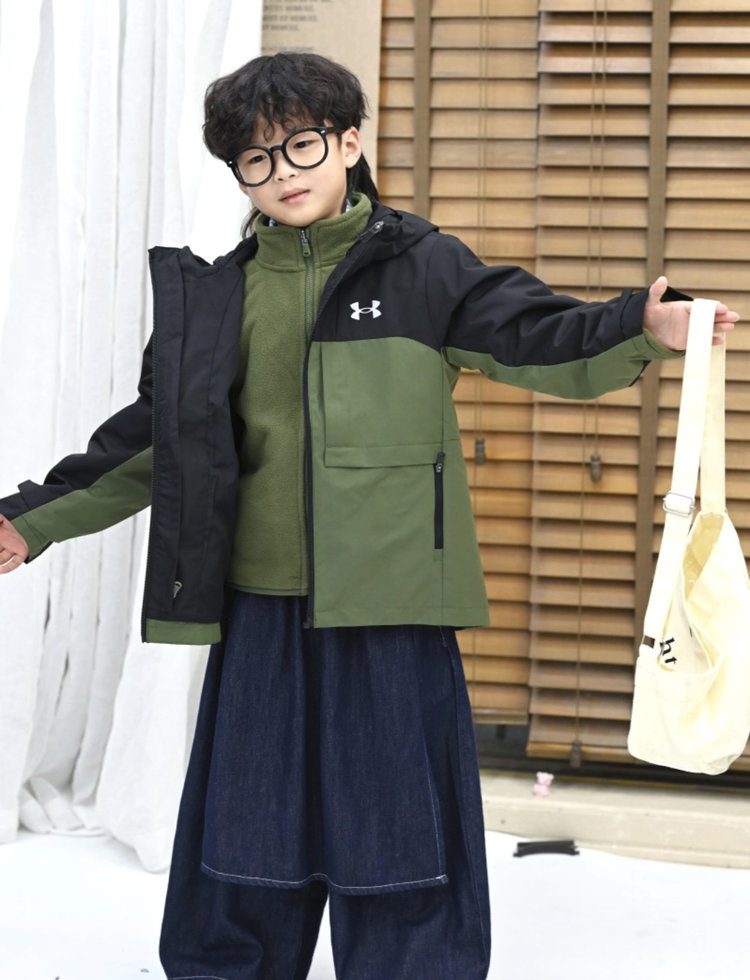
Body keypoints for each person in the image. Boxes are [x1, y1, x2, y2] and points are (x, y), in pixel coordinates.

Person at [0, 51, 738, 980]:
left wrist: (643, 325)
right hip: (260, 604)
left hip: (394, 603)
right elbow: (153, 442)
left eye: (302, 145)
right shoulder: (218, 297)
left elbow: (537, 335)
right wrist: (31, 520)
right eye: (256, 159)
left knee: (399, 824)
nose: (284, 172)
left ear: (349, 142)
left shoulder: (424, 268)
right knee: (248, 817)